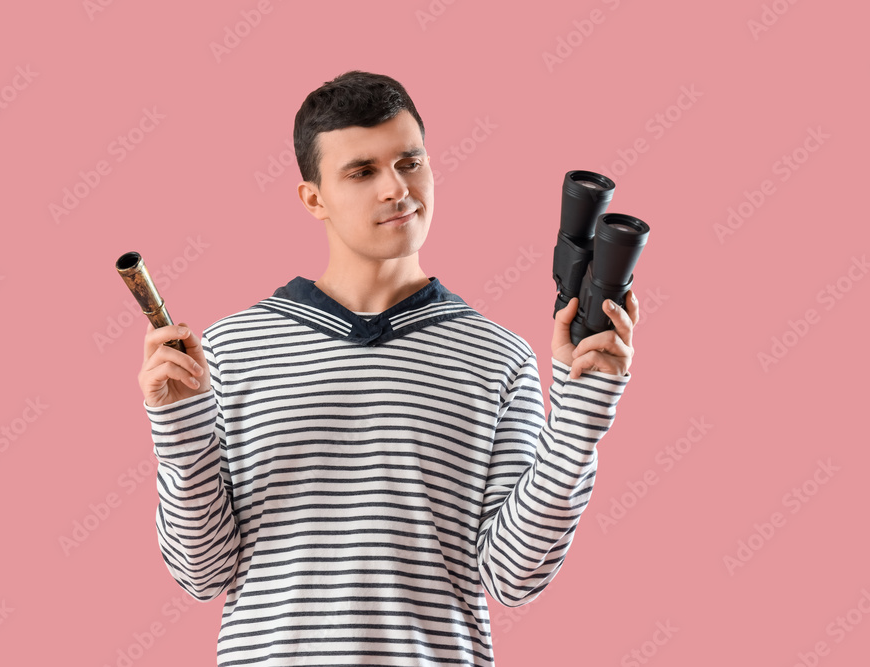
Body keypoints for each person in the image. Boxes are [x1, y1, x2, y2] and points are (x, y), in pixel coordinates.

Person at [137, 70, 637, 666]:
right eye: (362, 171)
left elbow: (513, 578)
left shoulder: (497, 357)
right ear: (313, 198)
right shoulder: (227, 351)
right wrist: (176, 426)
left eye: (410, 162)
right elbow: (202, 572)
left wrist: (580, 421)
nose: (396, 189)